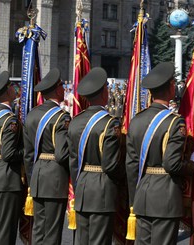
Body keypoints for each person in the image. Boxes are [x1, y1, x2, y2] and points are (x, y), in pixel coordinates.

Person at [126, 62, 194, 245]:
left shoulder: (136, 120)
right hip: (165, 197)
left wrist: (135, 199)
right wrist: (193, 165)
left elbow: (131, 165)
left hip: (142, 196)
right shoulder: (174, 123)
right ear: (171, 87)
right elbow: (171, 164)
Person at [67, 67, 123, 245]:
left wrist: (79, 186)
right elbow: (111, 165)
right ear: (103, 93)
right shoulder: (110, 123)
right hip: (102, 190)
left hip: (82, 187)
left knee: (83, 240)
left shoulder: (75, 121)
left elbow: (73, 162)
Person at [23, 68, 70, 244]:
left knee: (38, 231)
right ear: (57, 90)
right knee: (52, 234)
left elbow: (28, 155)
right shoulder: (61, 117)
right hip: (55, 179)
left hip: (37, 178)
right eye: (62, 86)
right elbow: (61, 153)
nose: (64, 89)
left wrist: (31, 179)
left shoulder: (31, 115)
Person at [0, 71, 24, 245]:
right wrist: (28, 152)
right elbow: (9, 154)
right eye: (12, 86)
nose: (14, 89)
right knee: (6, 230)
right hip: (7, 178)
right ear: (8, 91)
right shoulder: (10, 120)